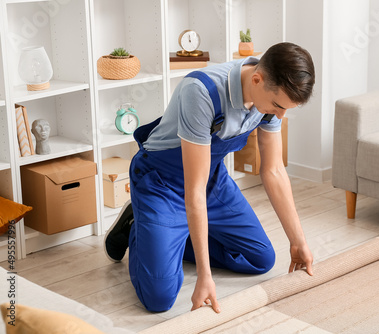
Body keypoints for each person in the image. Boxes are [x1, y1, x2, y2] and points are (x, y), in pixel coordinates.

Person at [104, 42, 316, 313]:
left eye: (286, 109)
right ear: (256, 79)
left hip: (211, 178)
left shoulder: (271, 101)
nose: (281, 115)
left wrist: (298, 241)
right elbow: (193, 190)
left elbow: (273, 170)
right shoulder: (201, 91)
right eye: (278, 106)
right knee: (159, 297)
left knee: (260, 259)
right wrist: (205, 274)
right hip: (161, 183)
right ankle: (137, 226)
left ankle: (172, 237)